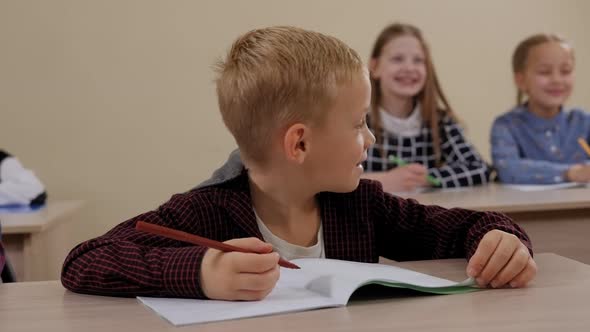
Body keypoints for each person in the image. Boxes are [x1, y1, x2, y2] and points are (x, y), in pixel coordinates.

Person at [61, 26, 536, 301]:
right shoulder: (205, 211)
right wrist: (203, 272)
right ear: (300, 144)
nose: (369, 137)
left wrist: (502, 239)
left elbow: (461, 228)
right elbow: (83, 261)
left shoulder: (363, 206)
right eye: (357, 123)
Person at [361, 23, 491, 192]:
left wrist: (429, 178)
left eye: (418, 60)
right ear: (375, 67)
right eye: (397, 59)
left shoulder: (440, 123)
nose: (409, 68)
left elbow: (480, 168)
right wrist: (383, 181)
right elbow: (330, 178)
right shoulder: (358, 123)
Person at [491, 34, 590, 184]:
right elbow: (509, 169)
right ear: (521, 80)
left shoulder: (583, 121)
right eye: (544, 72)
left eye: (566, 71)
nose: (557, 80)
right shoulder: (506, 126)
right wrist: (570, 173)